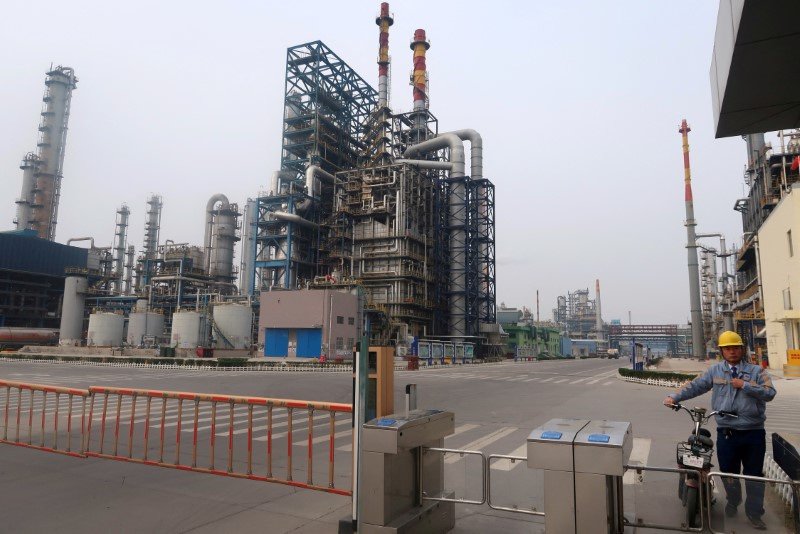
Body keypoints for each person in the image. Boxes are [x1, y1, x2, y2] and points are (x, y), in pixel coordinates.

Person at [663, 330, 776, 530]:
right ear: (722, 351)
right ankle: (734, 501)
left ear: (742, 349)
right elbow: (695, 386)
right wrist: (674, 397)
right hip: (727, 432)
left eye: (735, 348)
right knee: (727, 472)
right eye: (727, 348)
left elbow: (769, 393)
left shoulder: (757, 372)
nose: (732, 352)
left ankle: (754, 513)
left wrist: (746, 386)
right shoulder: (715, 371)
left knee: (754, 475)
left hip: (753, 433)